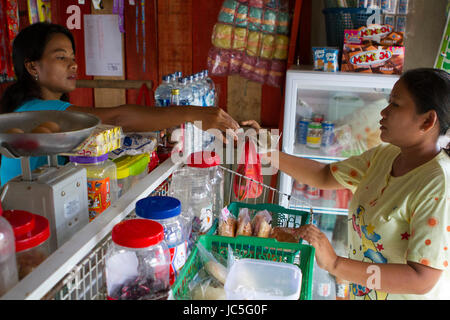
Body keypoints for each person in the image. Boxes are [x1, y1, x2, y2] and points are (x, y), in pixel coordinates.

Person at [245, 68, 450, 300]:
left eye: (395, 104)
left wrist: (335, 263)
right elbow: (324, 175)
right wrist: (267, 152)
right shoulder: (385, 156)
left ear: (427, 120)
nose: (383, 111)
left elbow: (421, 279)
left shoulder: (438, 185)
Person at [0, 22, 240, 186]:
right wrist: (191, 112)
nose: (73, 65)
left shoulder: (45, 107)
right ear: (33, 67)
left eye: (73, 57)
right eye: (61, 57)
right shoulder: (37, 111)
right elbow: (117, 119)